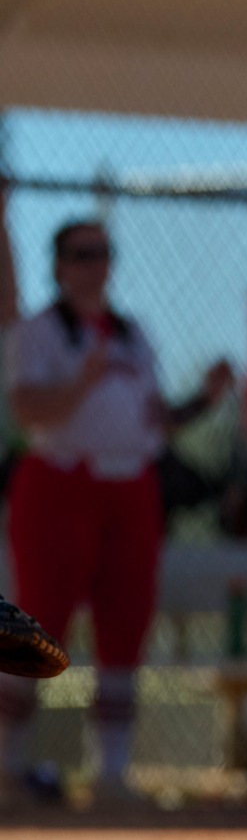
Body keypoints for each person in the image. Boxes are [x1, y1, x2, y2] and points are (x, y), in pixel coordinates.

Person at [0, 217, 232, 805]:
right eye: (80, 253)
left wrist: (205, 399)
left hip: (130, 487)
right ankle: (7, 767)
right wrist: (81, 383)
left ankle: (112, 776)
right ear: (58, 266)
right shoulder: (41, 331)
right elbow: (27, 411)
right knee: (37, 626)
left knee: (126, 626)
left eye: (102, 252)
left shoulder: (134, 333)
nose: (93, 263)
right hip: (60, 483)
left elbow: (157, 419)